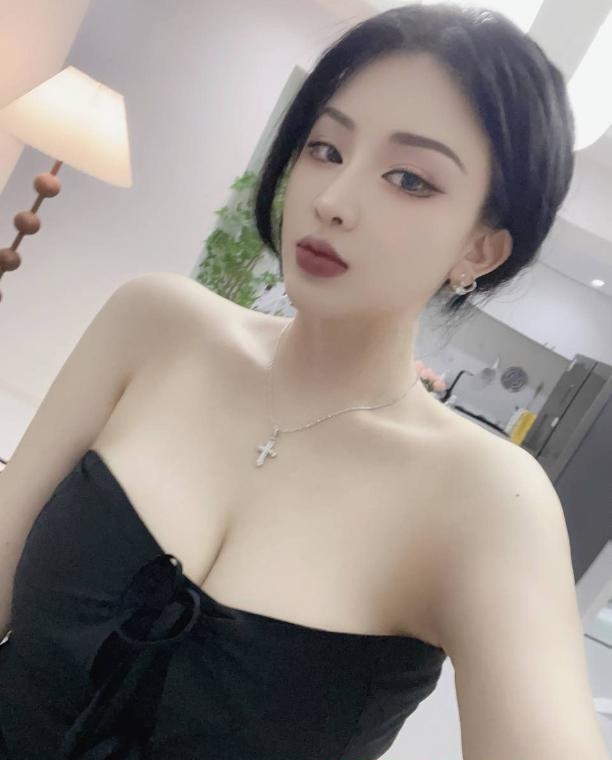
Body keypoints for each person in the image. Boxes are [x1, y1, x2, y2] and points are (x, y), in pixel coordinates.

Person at [0, 3, 608, 759]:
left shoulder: (486, 501)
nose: (332, 200)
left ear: (479, 249)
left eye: (409, 179)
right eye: (326, 148)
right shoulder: (155, 325)